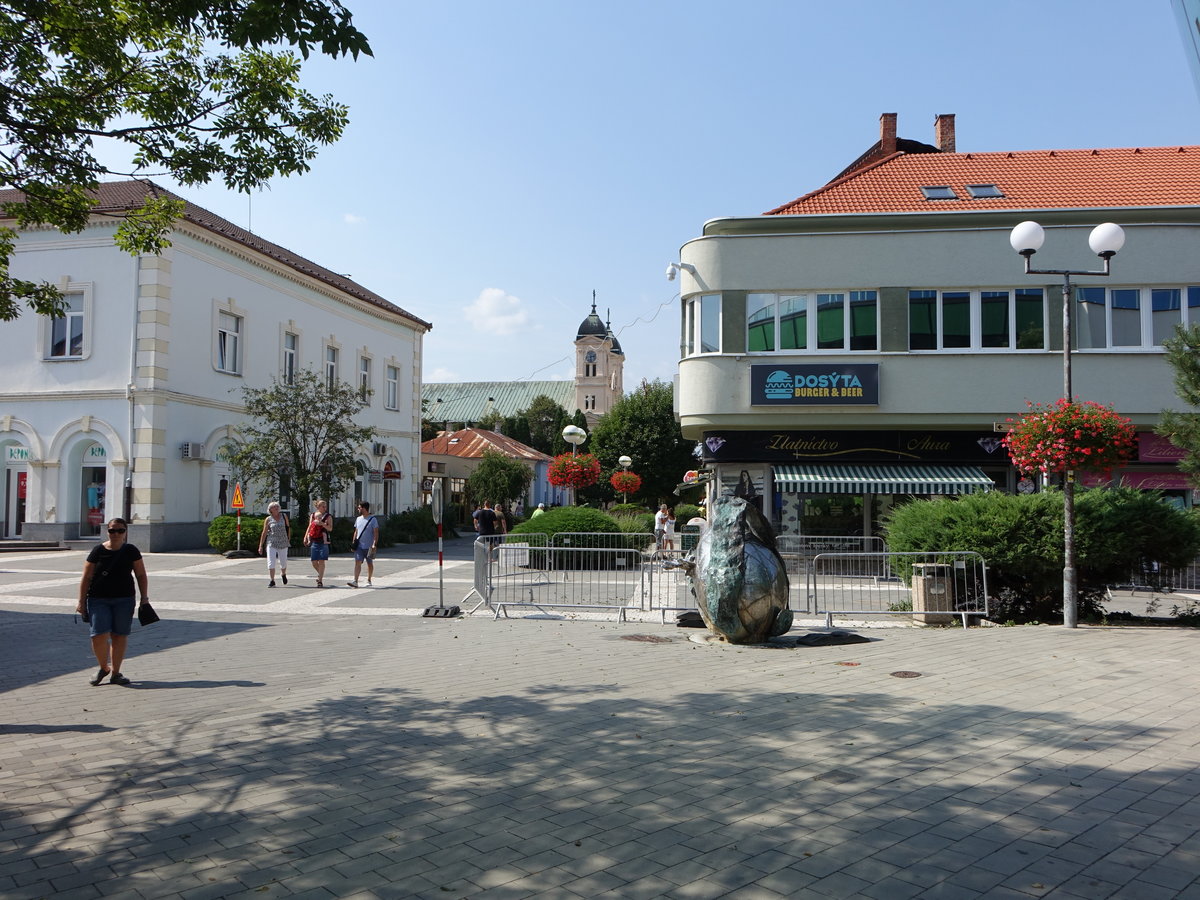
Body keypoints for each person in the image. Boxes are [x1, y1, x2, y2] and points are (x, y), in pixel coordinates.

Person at [76, 517, 149, 686]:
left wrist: (144, 598)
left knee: (119, 635)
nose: (116, 534)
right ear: (107, 531)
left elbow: (140, 575)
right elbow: (86, 577)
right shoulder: (97, 551)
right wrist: (81, 601)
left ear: (125, 532)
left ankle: (116, 673)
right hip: (98, 599)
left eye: (120, 530)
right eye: (112, 530)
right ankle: (104, 667)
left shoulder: (131, 551)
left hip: (124, 599)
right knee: (98, 635)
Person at [258, 501, 291, 587]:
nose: (276, 508)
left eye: (277, 506)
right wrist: (261, 545)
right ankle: (272, 580)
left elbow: (288, 528)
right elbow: (264, 532)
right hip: (271, 542)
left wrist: (288, 539)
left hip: (283, 542)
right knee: (271, 562)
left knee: (283, 562)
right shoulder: (268, 519)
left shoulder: (284, 516)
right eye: (274, 507)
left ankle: (283, 574)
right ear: (270, 509)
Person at [347, 501, 379, 588]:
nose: (358, 509)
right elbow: (356, 532)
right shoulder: (358, 519)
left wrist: (374, 544)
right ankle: (355, 581)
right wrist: (354, 543)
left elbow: (376, 533)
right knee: (357, 562)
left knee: (369, 563)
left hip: (369, 546)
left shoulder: (373, 519)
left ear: (364, 508)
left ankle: (369, 579)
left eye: (359, 507)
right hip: (359, 546)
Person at [304, 499, 332, 587]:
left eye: (325, 506)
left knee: (321, 560)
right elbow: (310, 526)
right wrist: (305, 537)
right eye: (323, 506)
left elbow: (330, 528)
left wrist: (323, 524)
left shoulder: (328, 516)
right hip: (314, 540)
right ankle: (320, 574)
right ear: (318, 507)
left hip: (323, 540)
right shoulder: (313, 515)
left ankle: (320, 580)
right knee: (314, 561)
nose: (325, 508)